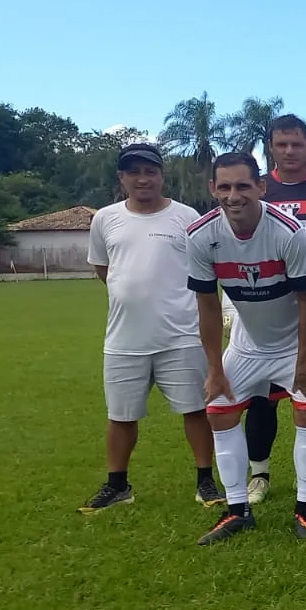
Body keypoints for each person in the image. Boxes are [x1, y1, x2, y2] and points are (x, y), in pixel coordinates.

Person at [186, 153, 306, 545]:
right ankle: (237, 511)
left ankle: (305, 510)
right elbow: (208, 306)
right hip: (247, 345)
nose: (234, 196)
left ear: (261, 187)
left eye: (243, 186)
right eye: (225, 187)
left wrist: (303, 365)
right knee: (218, 412)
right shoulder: (200, 235)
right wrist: (215, 370)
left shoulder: (287, 231)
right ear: (212, 189)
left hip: (294, 344)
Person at [79, 142, 218, 513]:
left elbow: (203, 271)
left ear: (161, 175)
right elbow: (104, 269)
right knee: (120, 416)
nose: (143, 179)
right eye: (134, 172)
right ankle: (117, 486)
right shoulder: (105, 219)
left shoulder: (185, 216)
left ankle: (206, 481)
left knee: (196, 411)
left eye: (150, 171)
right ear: (122, 178)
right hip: (124, 338)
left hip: (181, 335)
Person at [239, 115, 306, 505]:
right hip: (267, 311)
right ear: (270, 147)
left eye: (296, 144)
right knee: (261, 398)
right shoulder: (257, 190)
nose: (289, 151)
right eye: (281, 144)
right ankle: (259, 474)